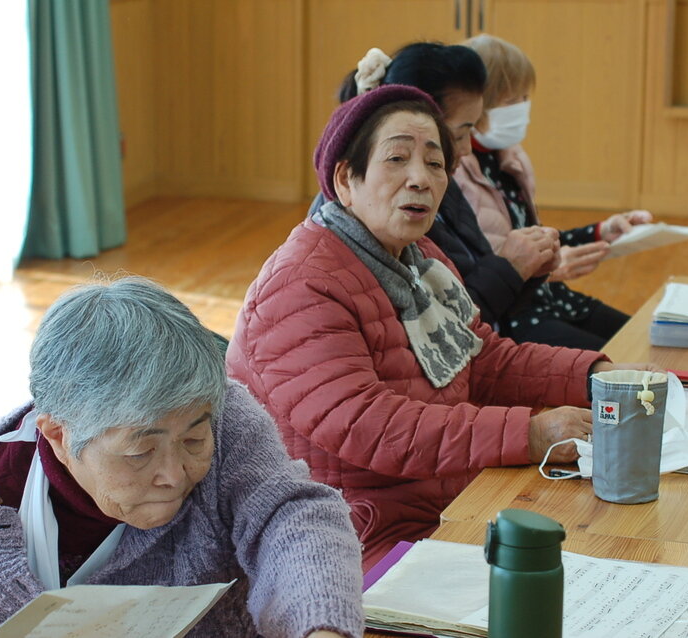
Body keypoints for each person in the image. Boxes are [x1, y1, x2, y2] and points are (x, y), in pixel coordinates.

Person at [226, 84, 649, 570]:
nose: (420, 179)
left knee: (618, 537)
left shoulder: (420, 257)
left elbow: (483, 360)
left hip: (440, 497)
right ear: (345, 180)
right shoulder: (301, 284)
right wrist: (530, 434)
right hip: (344, 532)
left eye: (434, 163)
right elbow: (369, 426)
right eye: (397, 159)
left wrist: (597, 378)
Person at [0, 277, 363, 638]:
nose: (174, 475)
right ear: (58, 436)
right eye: (140, 452)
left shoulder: (218, 413)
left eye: (193, 442)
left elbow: (288, 514)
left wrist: (319, 622)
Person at [323, 43, 560, 331]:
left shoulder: (442, 186)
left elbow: (466, 316)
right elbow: (437, 330)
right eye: (397, 158)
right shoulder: (338, 250)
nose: (466, 150)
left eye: (434, 161)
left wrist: (528, 269)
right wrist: (510, 268)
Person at [457, 34, 654, 349]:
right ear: (476, 104)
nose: (521, 109)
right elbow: (482, 271)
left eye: (524, 98)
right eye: (510, 102)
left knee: (648, 339)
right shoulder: (454, 172)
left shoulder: (508, 157)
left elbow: (533, 237)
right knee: (624, 361)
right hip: (513, 317)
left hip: (551, 298)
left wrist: (601, 231)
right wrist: (543, 268)